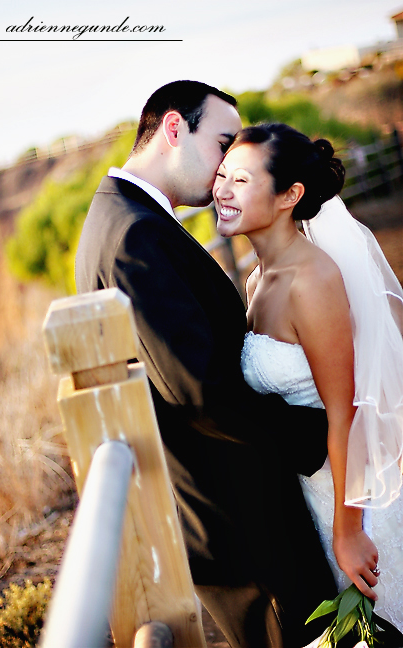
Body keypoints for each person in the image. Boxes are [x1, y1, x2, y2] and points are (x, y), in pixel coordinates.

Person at [75, 81, 338, 648]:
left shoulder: (127, 217)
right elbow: (199, 388)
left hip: (242, 502)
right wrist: (316, 435)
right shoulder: (133, 234)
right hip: (241, 518)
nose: (226, 169)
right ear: (175, 129)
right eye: (222, 144)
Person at [213, 122, 403, 634]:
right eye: (223, 174)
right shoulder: (257, 278)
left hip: (351, 499)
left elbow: (348, 410)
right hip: (304, 496)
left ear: (289, 195)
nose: (222, 190)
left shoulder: (312, 279)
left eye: (243, 181)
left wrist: (348, 530)